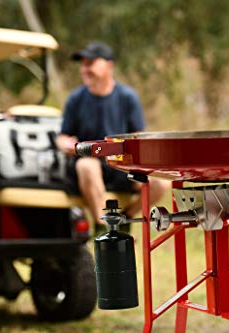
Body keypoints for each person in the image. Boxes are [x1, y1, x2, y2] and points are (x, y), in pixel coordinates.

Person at [56, 41, 168, 230]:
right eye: (83, 65)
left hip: (121, 164)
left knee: (161, 182)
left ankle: (126, 218)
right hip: (90, 162)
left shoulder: (127, 97)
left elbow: (139, 135)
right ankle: (102, 225)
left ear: (109, 65)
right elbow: (62, 136)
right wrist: (66, 144)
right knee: (86, 166)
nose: (85, 69)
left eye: (90, 63)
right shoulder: (76, 99)